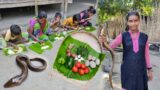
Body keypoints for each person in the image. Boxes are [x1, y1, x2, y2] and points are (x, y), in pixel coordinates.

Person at [99, 11, 153, 90]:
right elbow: (110, 47)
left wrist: (149, 69)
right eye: (130, 21)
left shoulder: (144, 37)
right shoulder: (123, 36)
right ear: (127, 22)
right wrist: (103, 43)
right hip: (127, 70)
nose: (133, 23)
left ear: (139, 21)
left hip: (141, 70)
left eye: (135, 20)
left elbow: (146, 54)